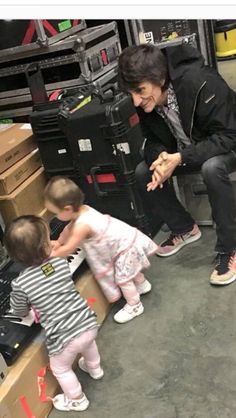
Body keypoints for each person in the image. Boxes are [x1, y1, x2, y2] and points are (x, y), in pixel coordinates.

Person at [118, 43, 236, 286]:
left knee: (212, 168)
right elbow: (150, 140)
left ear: (159, 78)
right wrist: (161, 156)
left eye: (140, 90)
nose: (137, 101)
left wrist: (180, 158)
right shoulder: (146, 102)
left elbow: (228, 136)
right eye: (132, 93)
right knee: (143, 171)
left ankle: (230, 248)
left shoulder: (202, 82)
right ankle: (184, 228)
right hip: (190, 151)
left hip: (228, 145)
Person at [4, 215, 104, 413]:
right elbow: (52, 282)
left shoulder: (21, 283)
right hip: (87, 322)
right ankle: (95, 368)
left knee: (61, 368)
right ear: (45, 246)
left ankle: (77, 399)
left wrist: (26, 307)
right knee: (87, 343)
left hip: (64, 337)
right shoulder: (58, 262)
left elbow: (19, 310)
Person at [44, 176, 157, 324]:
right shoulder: (83, 209)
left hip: (124, 249)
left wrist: (49, 254)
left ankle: (134, 305)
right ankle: (142, 284)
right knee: (129, 269)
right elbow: (67, 229)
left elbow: (69, 249)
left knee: (123, 279)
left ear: (67, 209)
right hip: (125, 240)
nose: (55, 216)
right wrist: (58, 242)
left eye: (55, 213)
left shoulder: (82, 226)